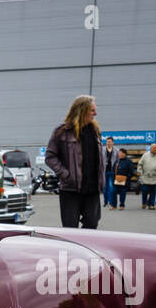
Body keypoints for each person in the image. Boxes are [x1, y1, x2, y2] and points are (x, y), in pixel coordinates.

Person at [45, 95, 104, 228]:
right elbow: (50, 156)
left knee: (92, 225)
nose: (96, 113)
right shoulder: (62, 131)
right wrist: (66, 175)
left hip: (92, 190)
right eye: (92, 110)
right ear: (81, 110)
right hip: (71, 190)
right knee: (70, 229)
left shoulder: (95, 131)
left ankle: (85, 249)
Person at [138, 143, 156, 209]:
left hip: (155, 176)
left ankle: (151, 204)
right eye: (153, 148)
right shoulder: (145, 155)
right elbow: (140, 164)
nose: (154, 149)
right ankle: (144, 202)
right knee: (145, 190)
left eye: (155, 148)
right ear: (150, 148)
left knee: (153, 191)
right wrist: (140, 171)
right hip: (146, 176)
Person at [103, 136, 117, 207]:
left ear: (113, 142)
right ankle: (105, 201)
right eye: (107, 142)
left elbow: (118, 161)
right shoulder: (102, 150)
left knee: (111, 187)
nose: (108, 143)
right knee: (105, 187)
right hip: (104, 171)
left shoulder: (116, 150)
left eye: (110, 142)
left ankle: (111, 202)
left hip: (112, 171)